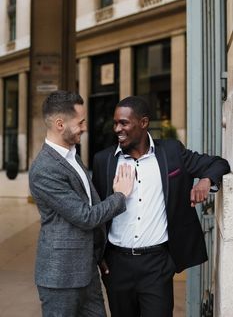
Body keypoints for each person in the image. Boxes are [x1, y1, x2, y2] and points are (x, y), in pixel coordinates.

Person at [92, 95, 230, 317]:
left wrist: (206, 181)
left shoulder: (171, 153)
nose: (117, 128)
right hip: (117, 266)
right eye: (115, 123)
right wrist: (99, 256)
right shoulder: (103, 160)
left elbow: (219, 164)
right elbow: (96, 213)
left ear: (144, 123)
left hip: (156, 264)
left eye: (124, 123)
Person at [29, 90, 134, 317]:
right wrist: (120, 195)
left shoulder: (72, 156)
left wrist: (98, 254)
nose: (85, 127)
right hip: (60, 277)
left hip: (87, 271)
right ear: (60, 124)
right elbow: (85, 216)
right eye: (81, 122)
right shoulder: (45, 168)